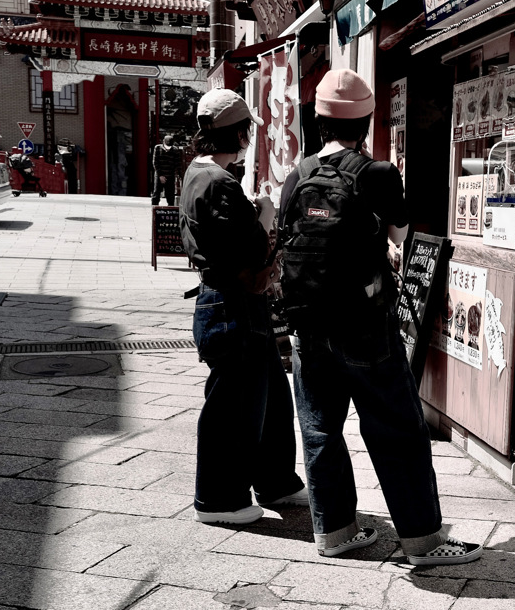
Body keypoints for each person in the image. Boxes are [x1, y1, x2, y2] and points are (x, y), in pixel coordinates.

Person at [278, 69, 484, 565]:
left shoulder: (297, 174)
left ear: (319, 120)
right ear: (367, 121)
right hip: (363, 326)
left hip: (307, 324)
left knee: (320, 429)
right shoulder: (377, 174)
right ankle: (423, 541)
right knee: (397, 429)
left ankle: (335, 533)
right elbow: (398, 238)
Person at [180, 88, 307, 524]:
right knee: (233, 407)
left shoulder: (200, 174)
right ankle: (218, 499)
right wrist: (266, 213)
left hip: (228, 302)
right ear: (239, 132)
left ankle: (276, 481)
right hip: (230, 305)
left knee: (268, 397)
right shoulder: (219, 182)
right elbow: (252, 249)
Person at [151, 135, 182, 206]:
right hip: (159, 175)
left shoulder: (175, 150)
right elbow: (155, 162)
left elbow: (178, 163)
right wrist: (160, 175)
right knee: (156, 194)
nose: (168, 148)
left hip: (170, 175)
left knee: (170, 196)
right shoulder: (158, 148)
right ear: (163, 142)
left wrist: (180, 175)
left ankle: (170, 211)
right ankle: (154, 210)